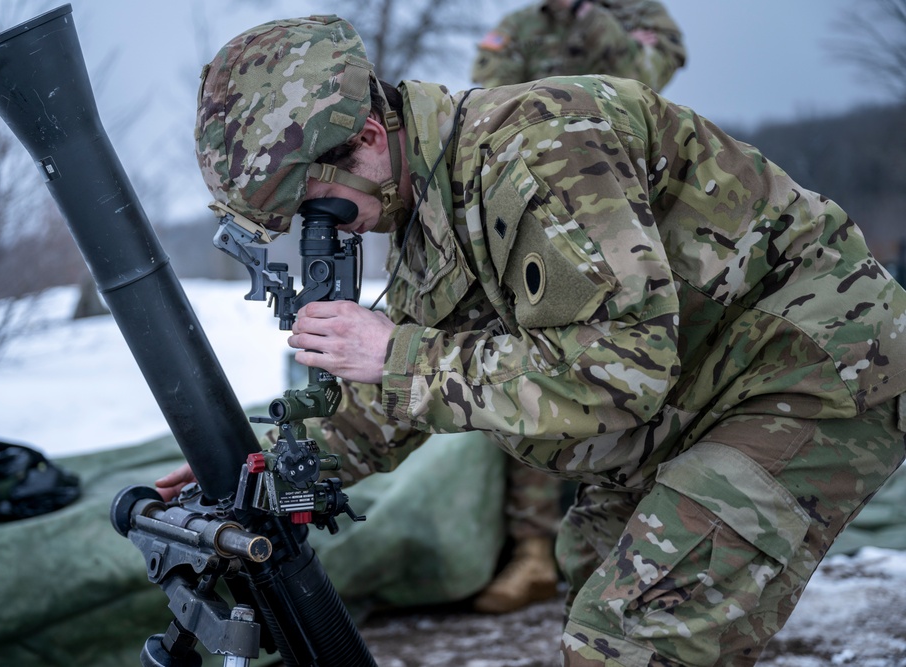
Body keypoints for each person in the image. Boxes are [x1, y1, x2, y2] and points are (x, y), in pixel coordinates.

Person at [158, 14, 906, 665]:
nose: (316, 232)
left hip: (811, 370)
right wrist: (254, 475)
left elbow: (619, 371)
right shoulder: (430, 208)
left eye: (314, 206)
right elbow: (389, 409)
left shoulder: (541, 150)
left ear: (367, 138)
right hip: (698, 395)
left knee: (635, 634)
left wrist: (397, 352)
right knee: (593, 569)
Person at [468, 0, 688, 615]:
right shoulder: (518, 27)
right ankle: (534, 550)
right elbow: (491, 98)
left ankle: (654, 548)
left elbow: (649, 72)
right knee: (532, 368)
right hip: (541, 204)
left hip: (631, 200)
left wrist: (596, 19)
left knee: (649, 369)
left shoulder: (636, 12)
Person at [472, 0, 686, 90]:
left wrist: (591, 18)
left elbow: (644, 82)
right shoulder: (520, 23)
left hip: (617, 142)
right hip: (533, 139)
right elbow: (495, 92)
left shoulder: (642, 12)